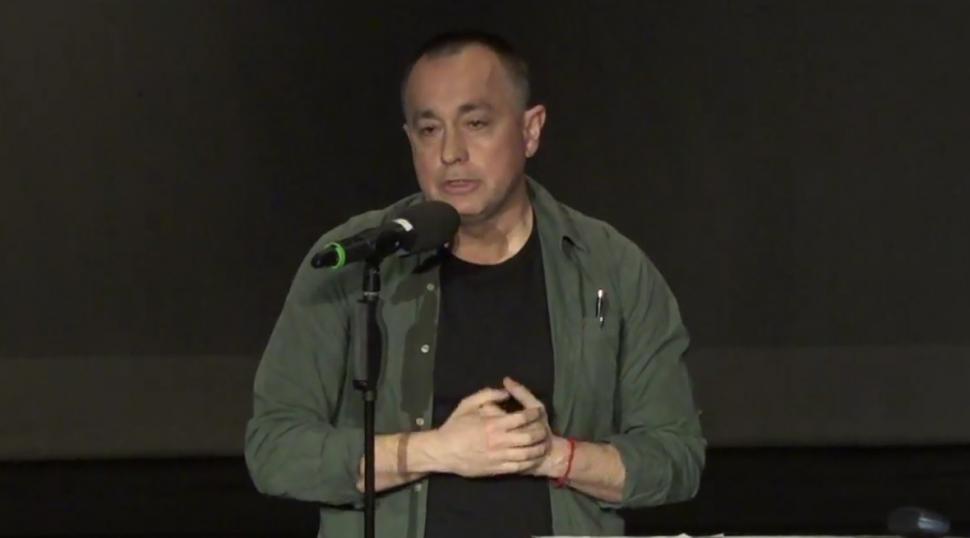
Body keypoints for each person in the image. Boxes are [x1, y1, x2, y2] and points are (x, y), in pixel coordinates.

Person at [245, 31, 705, 538]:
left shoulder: (612, 269)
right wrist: (436, 450)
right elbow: (274, 449)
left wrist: (551, 455)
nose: (451, 152)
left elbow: (675, 459)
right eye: (429, 130)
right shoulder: (357, 260)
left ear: (530, 130)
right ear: (410, 140)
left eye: (476, 123)